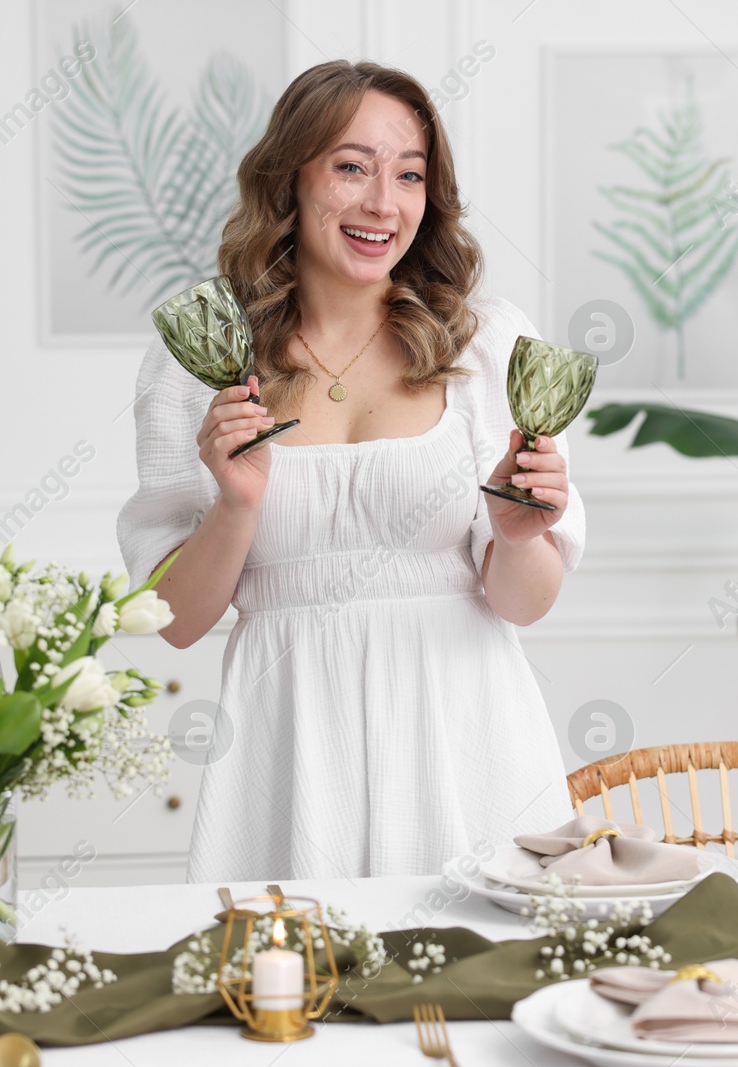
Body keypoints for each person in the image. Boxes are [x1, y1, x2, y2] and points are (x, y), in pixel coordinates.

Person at [115, 59, 585, 882]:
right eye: (352, 167)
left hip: (469, 739)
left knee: (478, 990)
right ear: (288, 179)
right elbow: (177, 621)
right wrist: (236, 503)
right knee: (291, 993)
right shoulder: (205, 362)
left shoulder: (485, 344)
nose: (383, 204)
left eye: (410, 176)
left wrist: (517, 537)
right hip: (290, 745)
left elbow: (525, 600)